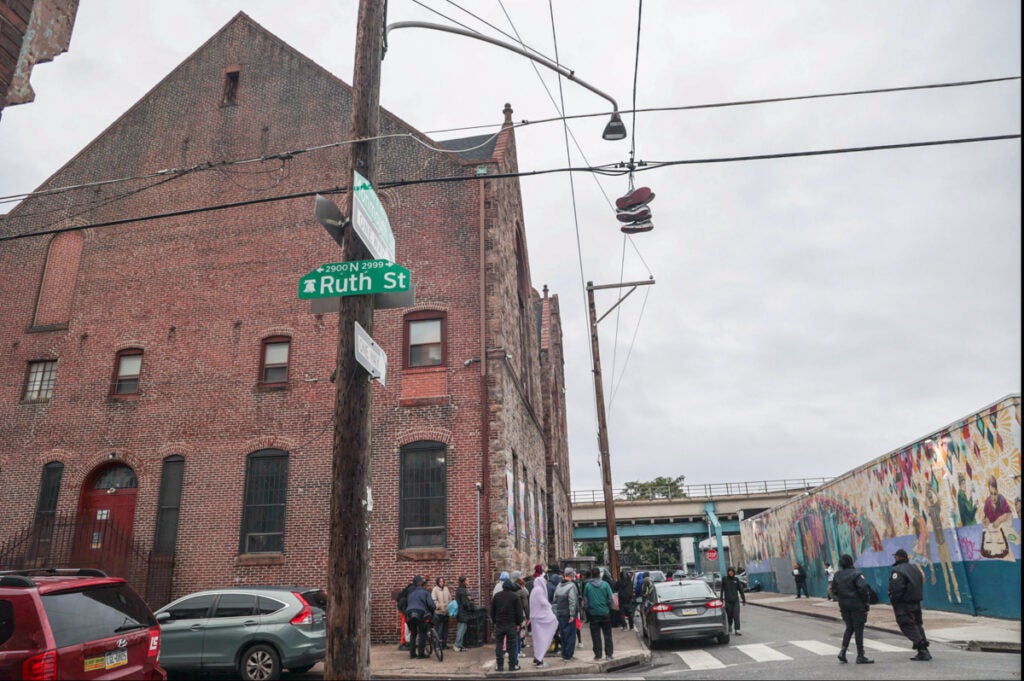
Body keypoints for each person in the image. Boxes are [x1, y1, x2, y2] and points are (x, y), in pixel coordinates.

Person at [888, 548, 931, 661]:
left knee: (906, 625)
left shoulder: (898, 570)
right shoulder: (914, 568)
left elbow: (897, 588)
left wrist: (893, 599)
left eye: (895, 556)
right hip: (915, 602)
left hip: (904, 603)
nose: (894, 558)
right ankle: (924, 649)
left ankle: (921, 648)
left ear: (898, 557)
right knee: (917, 624)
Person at [832, 554, 874, 664]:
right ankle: (860, 655)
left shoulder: (837, 575)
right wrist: (866, 602)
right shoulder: (856, 574)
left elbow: (834, 591)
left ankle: (843, 651)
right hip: (857, 605)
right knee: (858, 629)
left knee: (849, 628)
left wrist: (841, 598)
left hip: (844, 605)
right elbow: (863, 589)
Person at [491, 578, 524, 672]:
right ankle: (512, 665)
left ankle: (499, 665)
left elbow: (492, 611)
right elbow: (519, 612)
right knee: (512, 645)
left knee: (499, 645)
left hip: (500, 623)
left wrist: (494, 621)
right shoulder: (515, 597)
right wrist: (519, 623)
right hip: (511, 623)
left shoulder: (497, 596)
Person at [582, 567, 615, 660]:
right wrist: (609, 607)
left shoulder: (588, 586)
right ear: (599, 575)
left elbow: (585, 601)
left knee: (595, 635)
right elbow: (611, 598)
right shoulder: (605, 585)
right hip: (605, 612)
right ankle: (609, 654)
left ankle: (598, 655)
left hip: (593, 614)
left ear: (592, 575)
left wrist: (587, 610)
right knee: (607, 634)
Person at [529, 566, 559, 667]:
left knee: (537, 640)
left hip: (535, 618)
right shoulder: (539, 591)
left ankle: (537, 657)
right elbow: (544, 603)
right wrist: (550, 609)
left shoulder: (534, 590)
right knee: (542, 639)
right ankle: (539, 660)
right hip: (539, 619)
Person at [404, 576, 436, 659]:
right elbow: (431, 605)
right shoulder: (425, 593)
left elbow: (408, 604)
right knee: (422, 633)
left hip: (409, 614)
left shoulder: (411, 594)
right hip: (420, 613)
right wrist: (433, 609)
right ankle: (421, 654)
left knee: (413, 633)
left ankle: (412, 654)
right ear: (423, 585)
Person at [553, 567, 579, 661]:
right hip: (568, 614)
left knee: (563, 634)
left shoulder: (559, 585)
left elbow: (554, 600)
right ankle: (568, 655)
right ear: (571, 575)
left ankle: (564, 654)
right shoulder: (571, 586)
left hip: (560, 613)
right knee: (570, 635)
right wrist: (572, 614)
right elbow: (573, 601)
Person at [721, 567, 746, 636]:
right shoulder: (724, 579)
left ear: (734, 572)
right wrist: (721, 600)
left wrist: (744, 600)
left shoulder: (736, 580)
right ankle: (729, 625)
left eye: (732, 571)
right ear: (728, 572)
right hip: (728, 601)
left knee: (736, 615)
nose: (731, 573)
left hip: (735, 601)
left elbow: (741, 590)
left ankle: (737, 629)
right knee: (729, 615)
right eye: (729, 571)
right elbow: (722, 590)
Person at [452, 575, 475, 652]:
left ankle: (459, 645)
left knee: (462, 628)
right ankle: (457, 645)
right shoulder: (462, 591)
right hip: (462, 613)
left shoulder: (460, 590)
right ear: (464, 581)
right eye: (467, 580)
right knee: (461, 629)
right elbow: (465, 603)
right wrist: (470, 602)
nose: (468, 581)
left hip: (461, 612)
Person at [431, 576, 453, 650]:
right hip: (439, 613)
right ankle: (437, 645)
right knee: (439, 630)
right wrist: (438, 606)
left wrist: (449, 606)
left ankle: (444, 644)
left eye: (443, 581)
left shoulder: (446, 589)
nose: (441, 583)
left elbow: (449, 598)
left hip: (446, 613)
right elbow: (434, 600)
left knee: (445, 630)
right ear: (437, 582)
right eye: (440, 581)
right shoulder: (435, 589)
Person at [395, 578, 416, 650]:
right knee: (405, 625)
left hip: (404, 608)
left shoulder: (409, 588)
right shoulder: (412, 590)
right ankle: (404, 642)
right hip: (404, 609)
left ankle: (406, 641)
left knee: (406, 626)